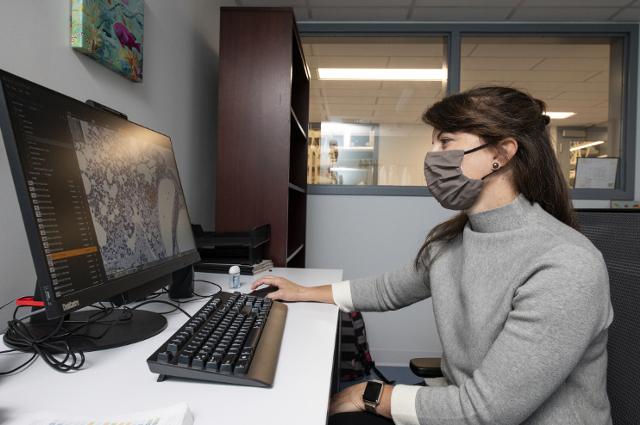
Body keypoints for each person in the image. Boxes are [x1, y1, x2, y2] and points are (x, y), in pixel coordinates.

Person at [251, 87, 613, 425]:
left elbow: (488, 411)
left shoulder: (565, 264)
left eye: (446, 143)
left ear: (500, 155)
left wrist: (372, 394)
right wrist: (304, 291)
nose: (433, 159)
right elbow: (389, 289)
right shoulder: (452, 241)